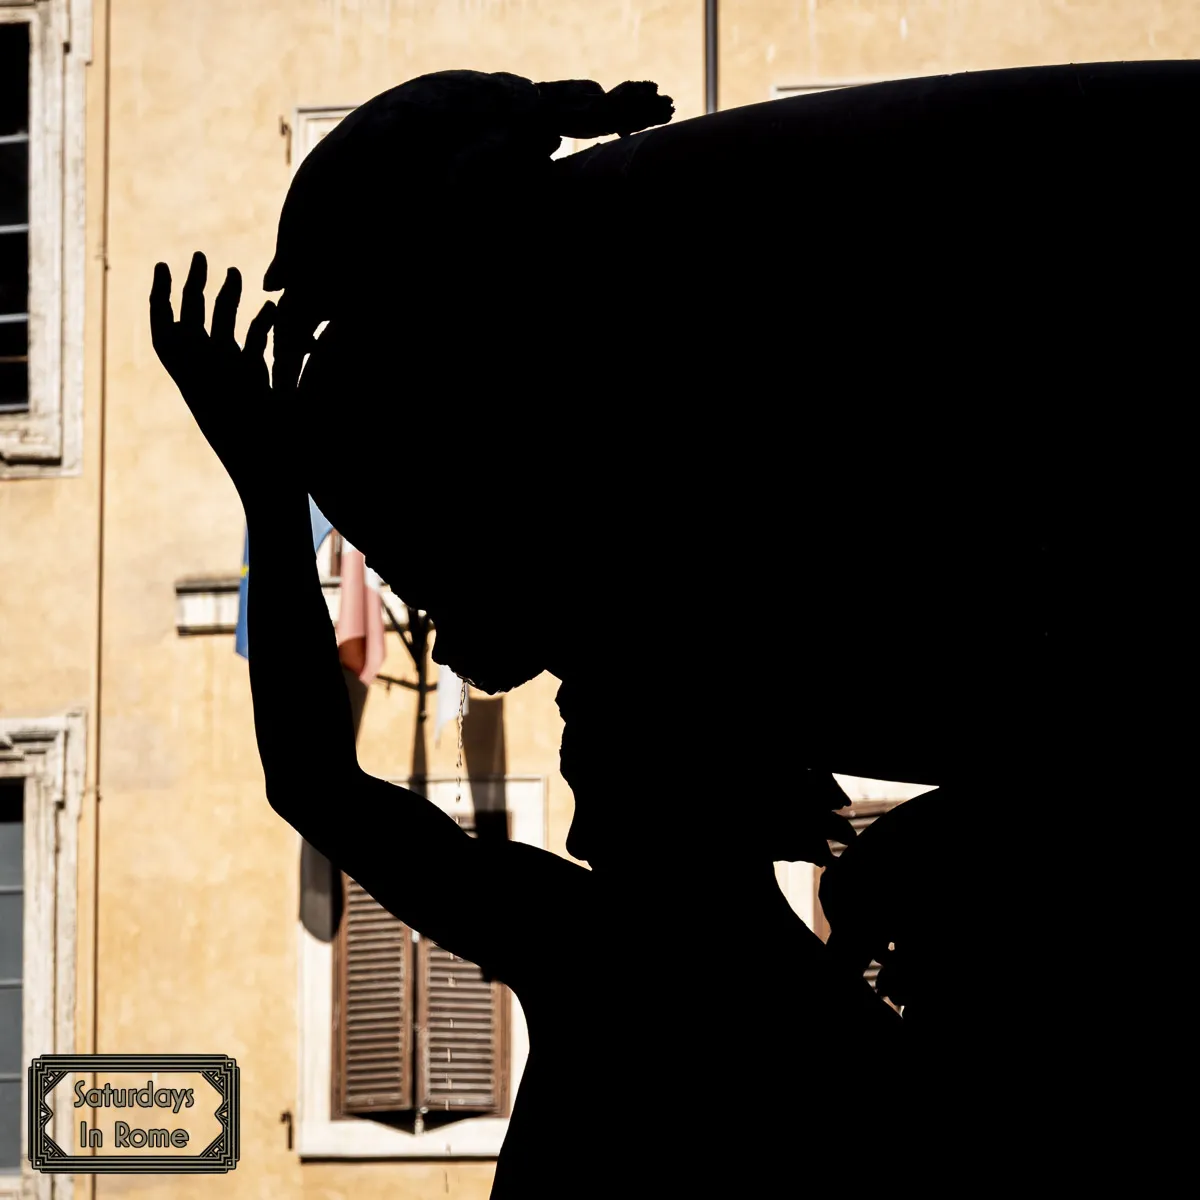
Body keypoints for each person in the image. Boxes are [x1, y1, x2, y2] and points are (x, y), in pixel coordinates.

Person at [151, 251, 902, 1196]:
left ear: (689, 768)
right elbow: (316, 786)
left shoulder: (604, 952)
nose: (572, 759)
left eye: (594, 728)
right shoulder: (836, 1032)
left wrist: (270, 486)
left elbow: (313, 782)